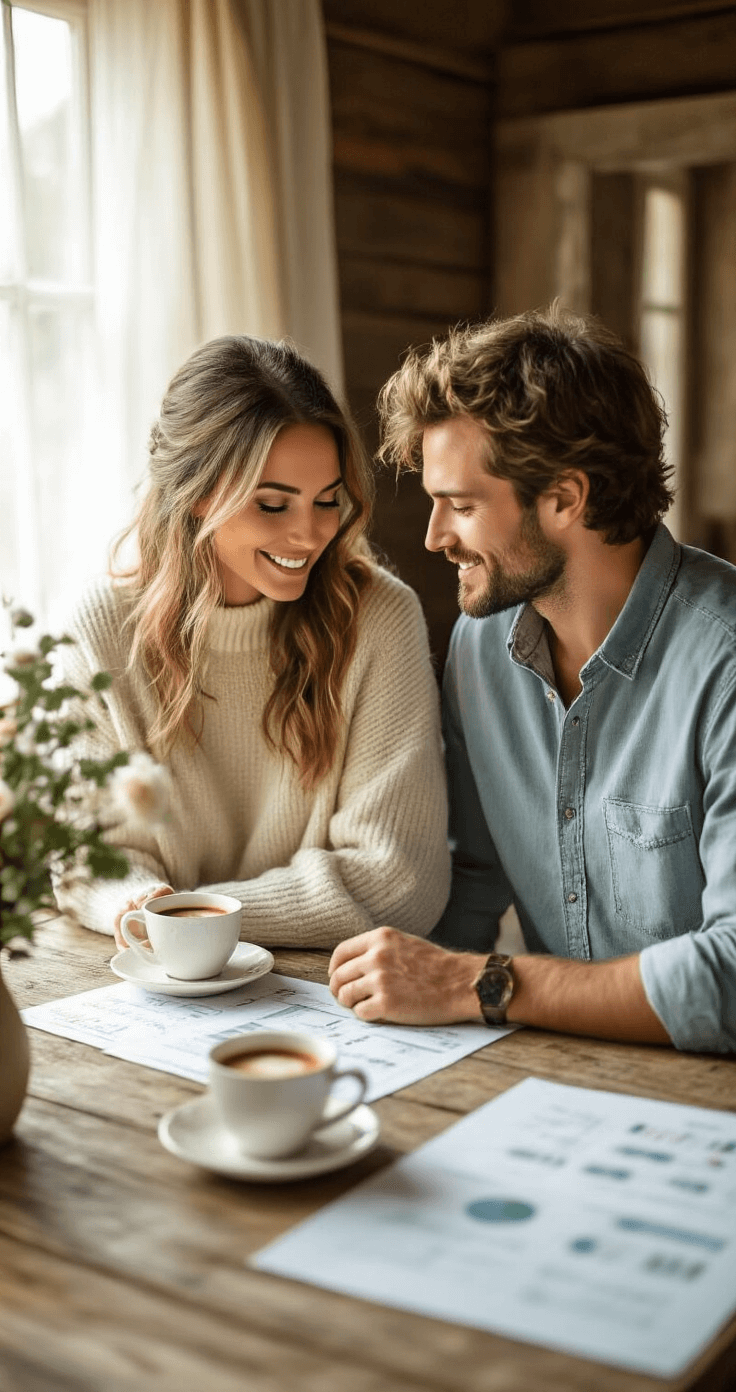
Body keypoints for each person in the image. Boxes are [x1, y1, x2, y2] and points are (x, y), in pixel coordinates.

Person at [329, 304, 736, 1053]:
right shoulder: (480, 648)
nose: (434, 538)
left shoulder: (726, 665)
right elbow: (476, 878)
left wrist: (474, 986)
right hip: (552, 1080)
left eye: (460, 506)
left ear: (565, 497)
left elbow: (733, 976)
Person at [55, 336, 450, 948]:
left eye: (328, 500)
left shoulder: (380, 618)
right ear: (194, 497)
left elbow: (399, 878)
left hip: (329, 986)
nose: (311, 533)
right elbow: (89, 860)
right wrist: (139, 908)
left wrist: (192, 919)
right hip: (146, 976)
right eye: (272, 505)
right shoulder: (103, 630)